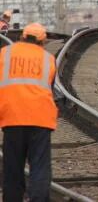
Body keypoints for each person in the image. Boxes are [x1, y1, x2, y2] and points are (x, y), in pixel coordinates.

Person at [0, 23, 57, 202]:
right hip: (41, 119)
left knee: (12, 167)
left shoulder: (5, 54)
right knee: (39, 167)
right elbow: (51, 87)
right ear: (42, 41)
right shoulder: (48, 58)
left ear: (22, 36)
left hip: (12, 117)